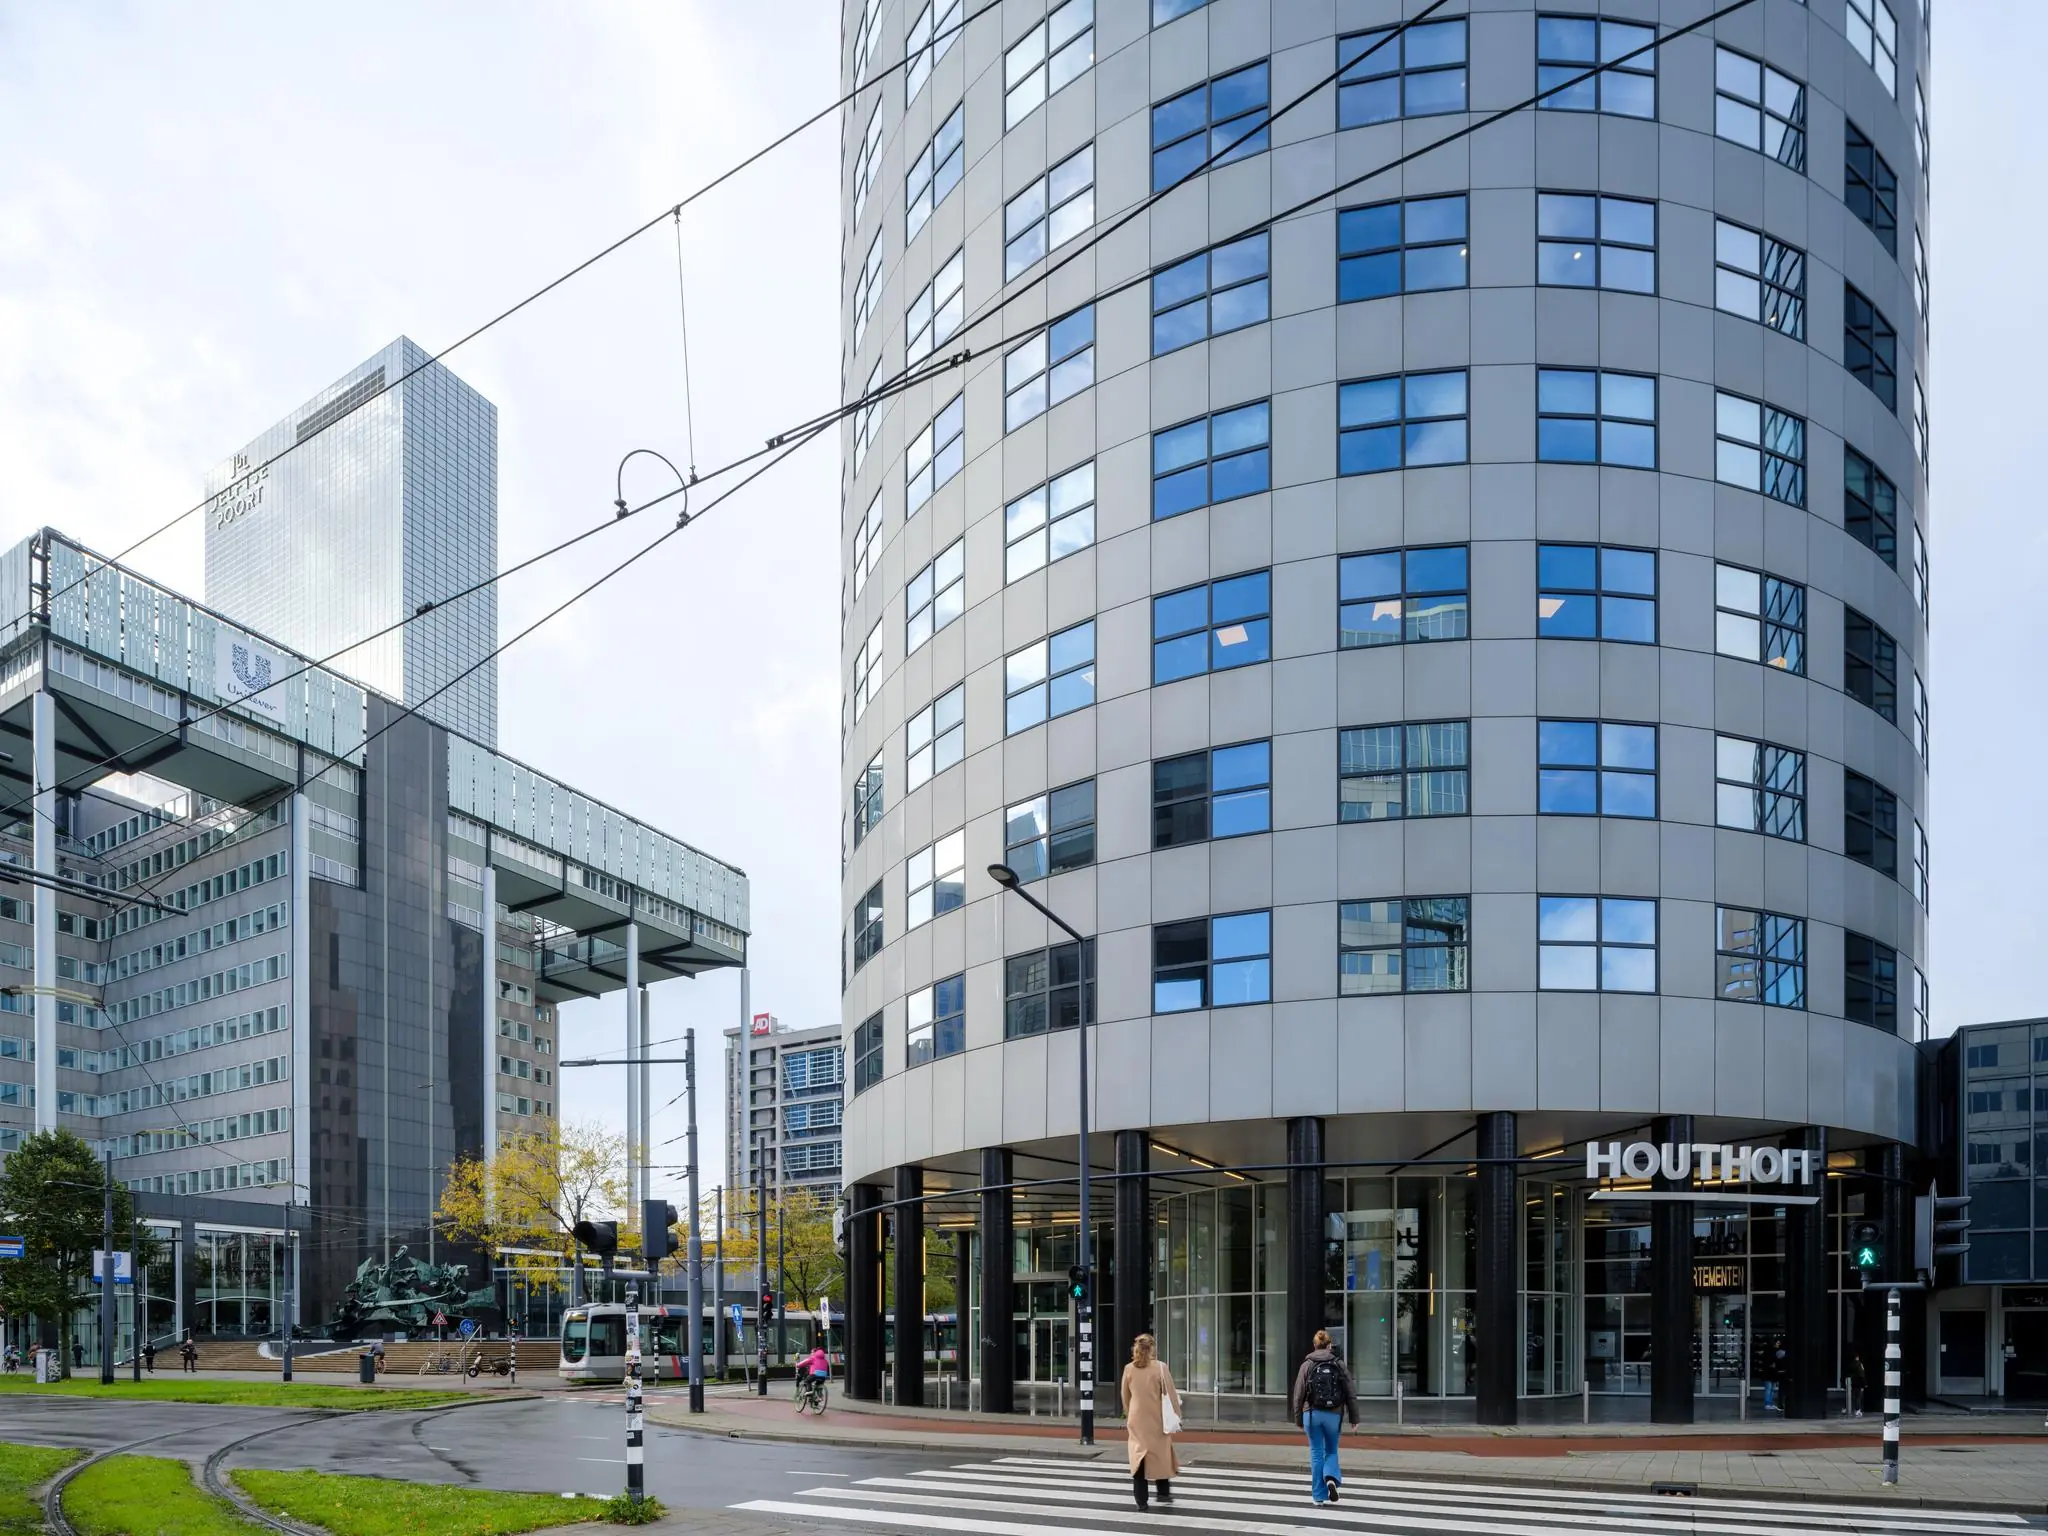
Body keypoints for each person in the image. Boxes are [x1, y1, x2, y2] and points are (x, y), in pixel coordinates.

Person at [1290, 1330, 1359, 1506]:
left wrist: (1298, 1419)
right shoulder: (1339, 1364)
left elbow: (1298, 1395)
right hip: (1334, 1414)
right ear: (1329, 1346)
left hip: (1312, 1414)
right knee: (1332, 1450)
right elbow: (1350, 1392)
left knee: (1316, 1453)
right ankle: (1330, 1477)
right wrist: (1354, 1418)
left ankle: (1318, 1497)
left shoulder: (1306, 1365)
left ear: (1314, 1345)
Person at [1119, 1332, 1183, 1510]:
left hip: (1136, 1418)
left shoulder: (1129, 1369)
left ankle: (1141, 1501)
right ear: (1152, 1348)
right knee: (1161, 1453)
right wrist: (1177, 1416)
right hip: (1157, 1418)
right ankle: (1163, 1492)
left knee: (1139, 1456)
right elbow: (1171, 1395)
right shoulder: (1161, 1368)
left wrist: (1128, 1412)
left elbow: (1125, 1395)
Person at [1846, 1350, 1867, 1417]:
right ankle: (1858, 1410)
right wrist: (1864, 1383)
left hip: (1852, 1382)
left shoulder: (1850, 1364)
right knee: (1859, 1397)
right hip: (1859, 1382)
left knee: (1853, 1396)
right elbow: (1862, 1374)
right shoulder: (1859, 1364)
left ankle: (1850, 1409)